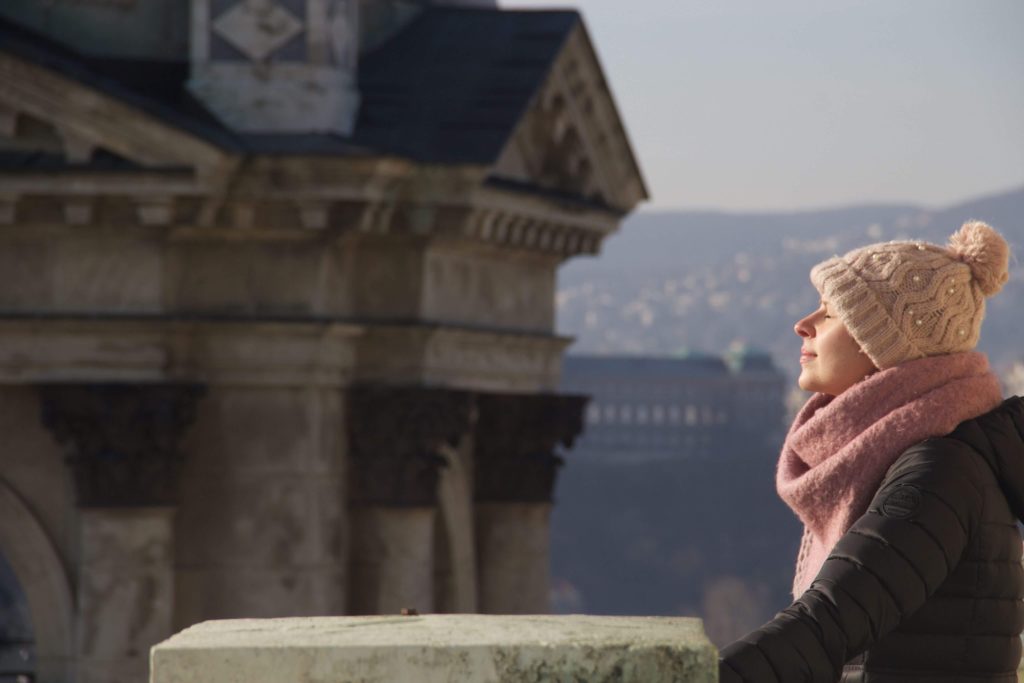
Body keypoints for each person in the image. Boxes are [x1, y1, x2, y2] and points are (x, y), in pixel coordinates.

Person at [719, 221, 1024, 683]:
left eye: (831, 311)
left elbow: (824, 626)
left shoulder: (937, 474)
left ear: (886, 345)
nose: (803, 325)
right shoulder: (935, 459)